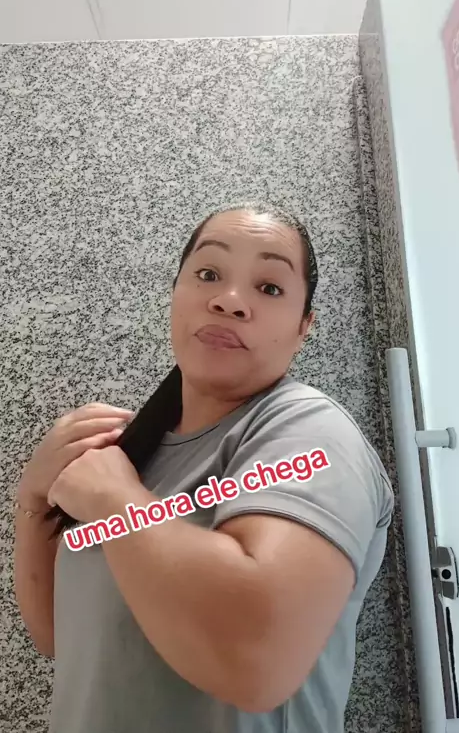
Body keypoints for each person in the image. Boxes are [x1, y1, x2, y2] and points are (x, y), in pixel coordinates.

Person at [14, 202, 394, 733]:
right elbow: (63, 637)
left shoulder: (310, 432)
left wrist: (112, 501)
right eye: (209, 274)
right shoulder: (129, 451)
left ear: (304, 326)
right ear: (176, 294)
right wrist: (33, 500)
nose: (229, 300)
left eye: (269, 287)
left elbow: (255, 659)